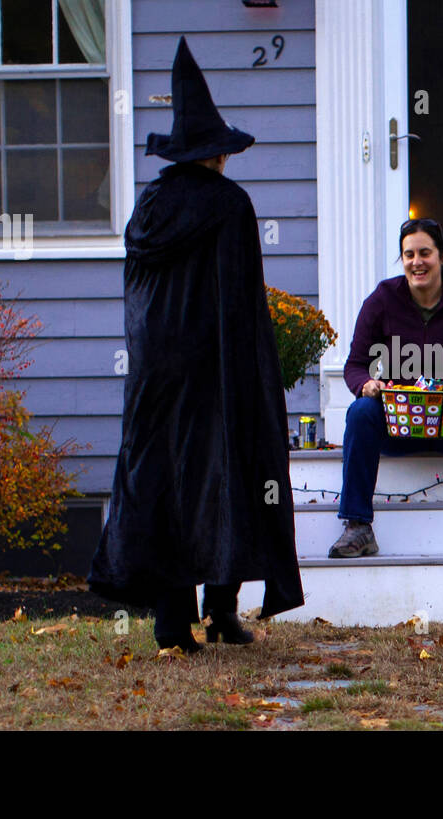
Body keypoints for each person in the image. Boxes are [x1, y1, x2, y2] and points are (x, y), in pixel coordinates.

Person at [88, 37, 303, 651]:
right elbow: (241, 302)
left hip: (156, 375)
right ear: (216, 156)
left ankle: (169, 624)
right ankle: (222, 611)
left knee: (164, 481)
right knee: (227, 478)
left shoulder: (148, 206)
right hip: (215, 371)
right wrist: (253, 374)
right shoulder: (230, 207)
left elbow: (140, 297)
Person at [331, 218, 443, 558]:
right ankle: (357, 527)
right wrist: (365, 383)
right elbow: (355, 365)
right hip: (399, 424)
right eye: (409, 254)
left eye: (425, 253)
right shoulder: (383, 299)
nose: (417, 262)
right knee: (360, 411)